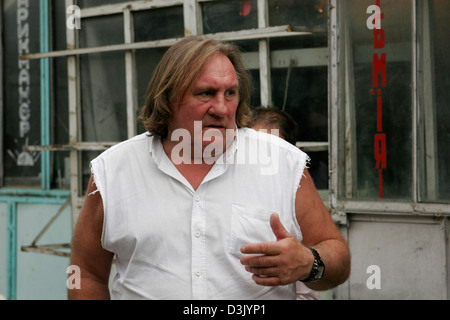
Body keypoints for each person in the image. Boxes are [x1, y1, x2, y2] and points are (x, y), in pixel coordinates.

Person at [68, 36, 350, 300]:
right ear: (167, 98)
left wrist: (309, 264)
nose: (222, 108)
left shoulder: (282, 164)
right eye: (206, 93)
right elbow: (87, 274)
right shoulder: (114, 171)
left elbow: (338, 256)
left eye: (230, 93)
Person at [249, 106, 320, 300]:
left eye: (270, 150)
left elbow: (308, 293)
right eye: (253, 146)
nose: (260, 158)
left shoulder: (295, 201)